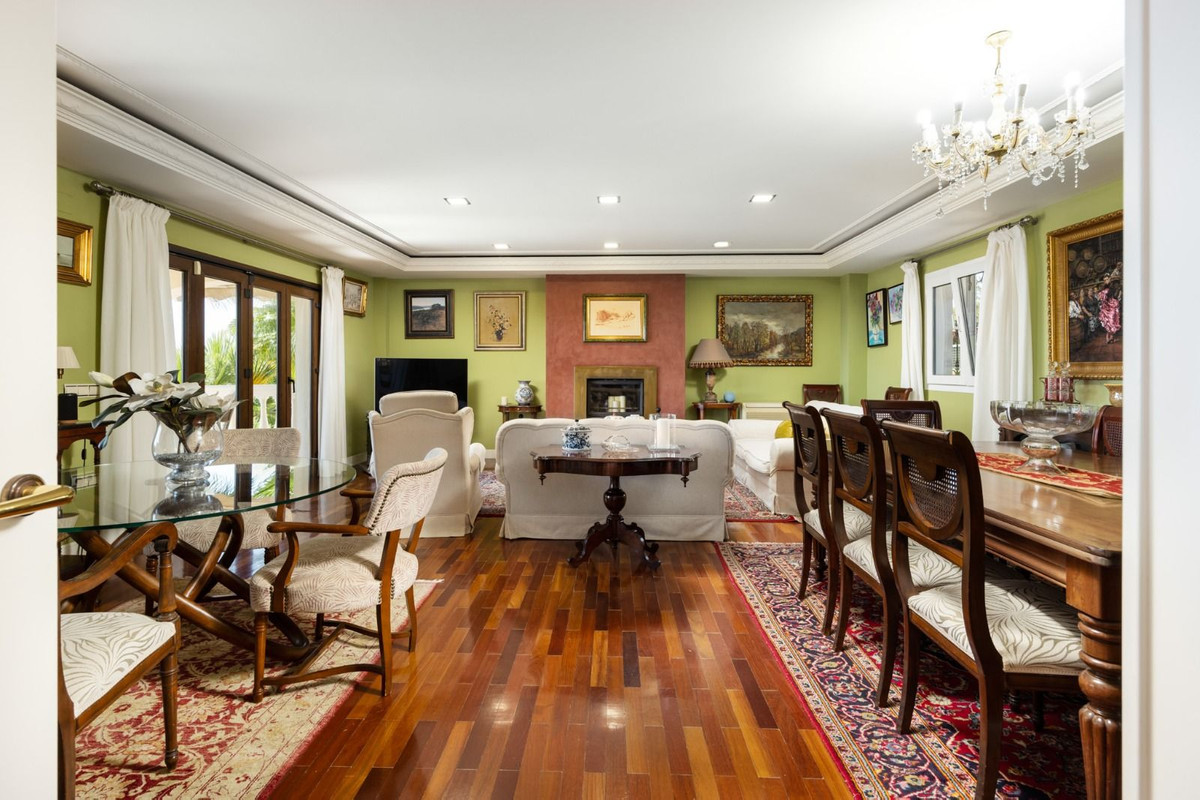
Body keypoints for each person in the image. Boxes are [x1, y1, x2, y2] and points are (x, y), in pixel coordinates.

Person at [1098, 273, 1122, 344]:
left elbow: (1112, 296)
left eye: (1107, 279)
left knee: (1112, 321)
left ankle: (1111, 338)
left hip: (1111, 306)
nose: (1106, 281)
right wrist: (1102, 296)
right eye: (1104, 280)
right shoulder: (1103, 288)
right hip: (1106, 307)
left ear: (1109, 279)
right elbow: (1101, 297)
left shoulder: (1112, 287)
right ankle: (1107, 338)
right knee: (1108, 322)